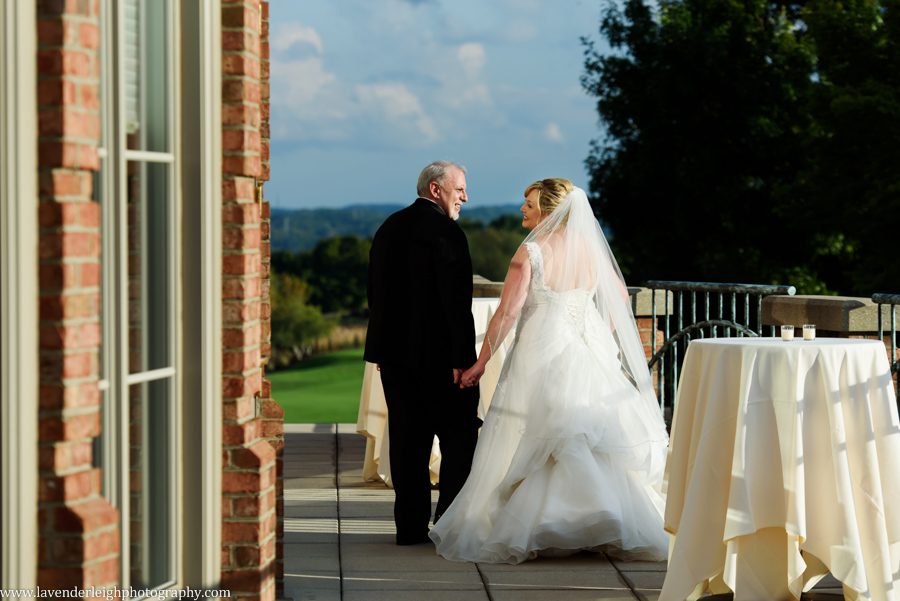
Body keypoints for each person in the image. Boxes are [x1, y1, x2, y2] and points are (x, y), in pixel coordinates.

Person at [429, 178, 670, 564]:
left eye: (528, 203)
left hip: (544, 347)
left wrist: (480, 363)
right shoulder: (589, 253)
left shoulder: (530, 253)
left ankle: (550, 524)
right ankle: (604, 518)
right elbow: (620, 297)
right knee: (586, 431)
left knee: (546, 429)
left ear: (547, 209)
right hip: (587, 346)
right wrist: (591, 328)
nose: (521, 209)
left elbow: (507, 314)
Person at [364, 161, 482, 545]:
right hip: (442, 364)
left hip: (396, 360)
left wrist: (380, 348)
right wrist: (464, 361)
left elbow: (377, 295)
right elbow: (455, 303)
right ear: (436, 189)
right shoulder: (448, 233)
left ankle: (410, 529)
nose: (465, 197)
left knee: (407, 445)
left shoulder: (389, 228)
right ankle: (449, 522)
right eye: (460, 188)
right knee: (459, 441)